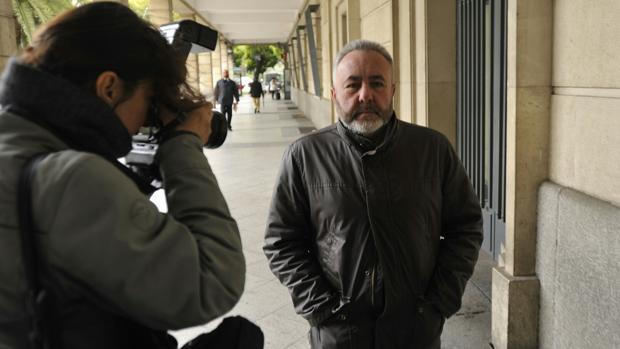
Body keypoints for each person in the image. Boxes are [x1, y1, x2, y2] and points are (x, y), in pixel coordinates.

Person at [0, 3, 245, 348]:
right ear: (109, 88)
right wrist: (183, 146)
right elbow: (214, 281)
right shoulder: (72, 178)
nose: (145, 116)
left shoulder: (18, 145)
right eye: (148, 99)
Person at [264, 39, 483, 348]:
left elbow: (466, 226)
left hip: (415, 332)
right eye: (353, 85)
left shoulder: (432, 149)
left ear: (392, 90)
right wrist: (319, 307)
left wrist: (440, 301)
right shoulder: (304, 156)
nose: (366, 95)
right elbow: (281, 242)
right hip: (340, 333)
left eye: (376, 83)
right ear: (334, 94)